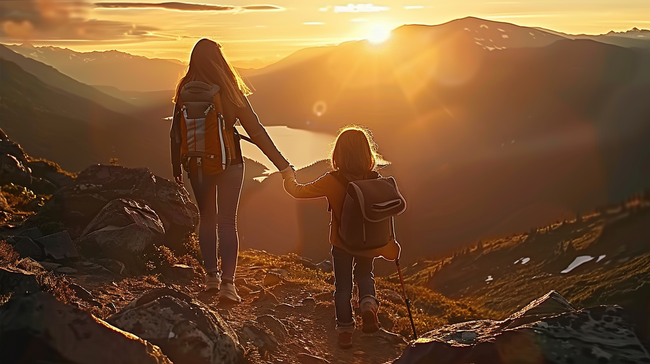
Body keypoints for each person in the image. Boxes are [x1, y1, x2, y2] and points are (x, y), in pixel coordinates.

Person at [171, 38, 292, 303]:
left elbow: (175, 133)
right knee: (227, 222)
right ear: (219, 61)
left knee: (207, 219)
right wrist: (283, 166)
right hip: (231, 164)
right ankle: (228, 285)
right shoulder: (228, 89)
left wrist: (176, 167)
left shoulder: (185, 90)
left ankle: (210, 278)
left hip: (196, 166)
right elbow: (256, 131)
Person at [281, 126, 400, 348]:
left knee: (342, 287)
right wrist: (391, 242)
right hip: (370, 243)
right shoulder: (375, 179)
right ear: (367, 153)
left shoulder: (331, 180)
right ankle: (367, 304)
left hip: (342, 243)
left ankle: (345, 331)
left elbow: (298, 191)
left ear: (338, 154)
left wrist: (288, 176)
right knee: (365, 275)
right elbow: (386, 216)